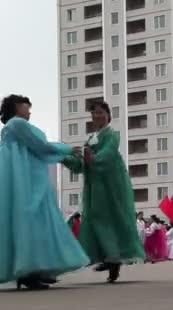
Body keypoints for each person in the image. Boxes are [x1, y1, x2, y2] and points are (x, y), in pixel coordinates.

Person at [0, 94, 89, 289]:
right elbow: (40, 145)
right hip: (26, 179)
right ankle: (29, 271)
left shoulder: (12, 127)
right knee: (32, 220)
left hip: (26, 177)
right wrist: (66, 149)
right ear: (16, 107)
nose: (29, 111)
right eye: (26, 107)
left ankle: (35, 269)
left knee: (30, 221)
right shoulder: (16, 124)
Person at [62, 101, 145, 283]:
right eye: (93, 114)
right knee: (95, 219)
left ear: (108, 115)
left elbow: (107, 154)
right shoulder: (90, 139)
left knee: (111, 219)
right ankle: (109, 257)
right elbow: (80, 163)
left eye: (100, 112)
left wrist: (93, 158)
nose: (96, 116)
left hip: (111, 184)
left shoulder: (112, 135)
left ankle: (113, 258)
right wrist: (64, 157)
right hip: (94, 186)